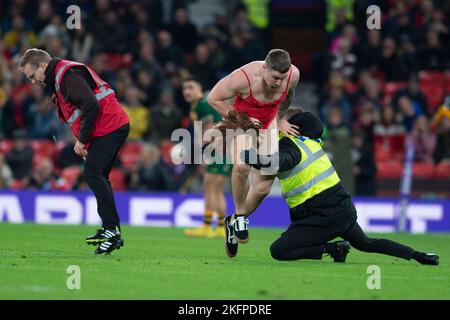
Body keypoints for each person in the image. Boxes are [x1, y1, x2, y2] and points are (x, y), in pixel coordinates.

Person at [230, 109, 439, 265]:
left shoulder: (291, 145)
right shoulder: (312, 144)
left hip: (320, 215)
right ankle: (419, 255)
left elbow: (278, 162)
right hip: (341, 209)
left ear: (293, 128)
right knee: (367, 243)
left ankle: (333, 248)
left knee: (279, 251)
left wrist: (247, 156)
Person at [18, 48, 130, 255]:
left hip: (110, 126)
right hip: (109, 127)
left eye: (32, 76)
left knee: (92, 173)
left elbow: (90, 105)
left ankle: (111, 230)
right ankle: (110, 230)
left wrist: (82, 140)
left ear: (42, 65)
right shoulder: (61, 77)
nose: (33, 81)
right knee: (98, 175)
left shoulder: (65, 75)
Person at [207, 49, 300, 246]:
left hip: (268, 126)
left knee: (264, 187)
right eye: (275, 77)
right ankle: (240, 215)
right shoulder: (244, 77)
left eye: (282, 79)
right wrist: (242, 121)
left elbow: (289, 97)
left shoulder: (293, 76)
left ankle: (231, 223)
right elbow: (213, 98)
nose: (278, 83)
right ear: (265, 68)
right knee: (241, 167)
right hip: (241, 125)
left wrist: (281, 119)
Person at [182, 77, 231, 238]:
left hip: (219, 149)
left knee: (211, 188)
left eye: (191, 87)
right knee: (214, 189)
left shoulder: (203, 105)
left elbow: (211, 130)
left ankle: (211, 226)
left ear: (200, 89)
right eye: (184, 89)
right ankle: (218, 227)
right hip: (223, 149)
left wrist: (205, 154)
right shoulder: (197, 106)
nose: (187, 91)